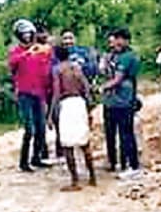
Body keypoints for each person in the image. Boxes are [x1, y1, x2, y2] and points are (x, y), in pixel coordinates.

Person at [8, 20, 55, 171]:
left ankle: (37, 157)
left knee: (41, 128)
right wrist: (27, 53)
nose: (27, 37)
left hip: (39, 93)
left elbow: (47, 67)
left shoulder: (40, 50)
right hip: (24, 93)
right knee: (29, 129)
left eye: (29, 34)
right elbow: (12, 64)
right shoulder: (16, 51)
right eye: (24, 34)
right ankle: (23, 162)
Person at [52, 45, 97, 191]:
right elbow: (86, 87)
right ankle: (92, 177)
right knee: (84, 143)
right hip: (80, 103)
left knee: (67, 145)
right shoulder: (76, 67)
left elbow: (57, 92)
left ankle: (75, 181)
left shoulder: (58, 70)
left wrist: (51, 113)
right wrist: (89, 107)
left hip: (67, 104)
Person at [101, 27, 141, 174]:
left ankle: (132, 165)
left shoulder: (128, 57)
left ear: (125, 40)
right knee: (111, 134)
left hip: (123, 101)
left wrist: (102, 88)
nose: (115, 43)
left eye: (118, 40)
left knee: (126, 134)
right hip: (111, 102)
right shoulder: (114, 56)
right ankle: (115, 163)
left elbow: (117, 79)